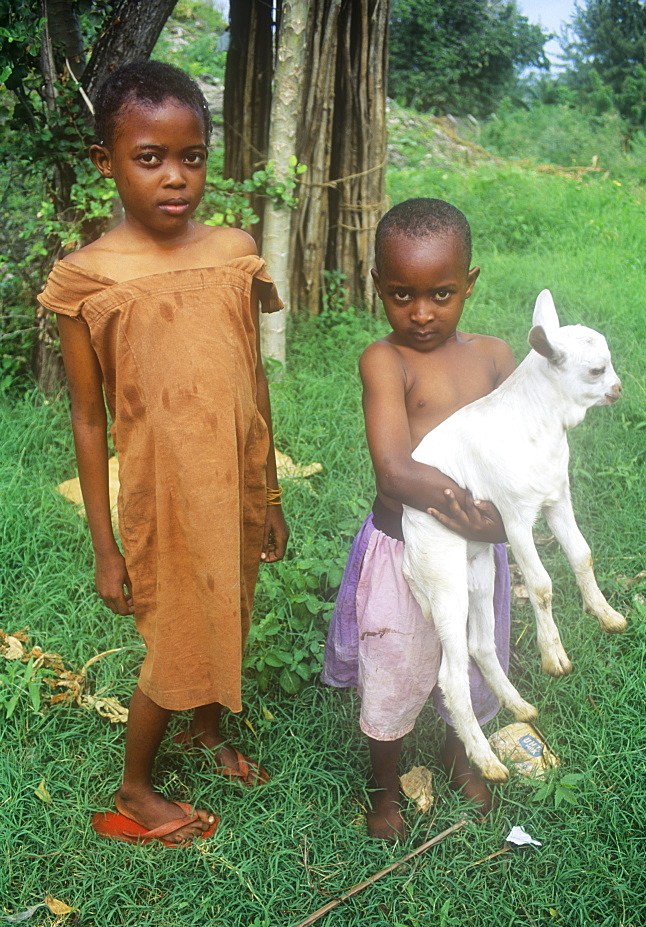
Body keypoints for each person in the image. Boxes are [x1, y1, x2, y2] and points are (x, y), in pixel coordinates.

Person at [38, 61, 289, 846]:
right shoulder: (86, 278)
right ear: (105, 163)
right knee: (173, 637)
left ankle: (204, 732)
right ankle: (136, 786)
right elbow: (88, 418)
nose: (175, 178)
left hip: (234, 481)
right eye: (150, 158)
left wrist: (269, 493)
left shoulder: (234, 250)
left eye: (192, 157)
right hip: (162, 495)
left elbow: (252, 377)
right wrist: (104, 546)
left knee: (229, 607)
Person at [323, 198, 516, 840]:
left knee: (471, 650)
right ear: (377, 285)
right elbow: (396, 471)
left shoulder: (492, 358)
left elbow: (519, 445)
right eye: (402, 294)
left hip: (474, 552)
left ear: (470, 283)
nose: (422, 312)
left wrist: (509, 511)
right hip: (404, 550)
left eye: (441, 293)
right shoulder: (386, 361)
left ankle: (461, 753)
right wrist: (481, 512)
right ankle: (384, 790)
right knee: (397, 669)